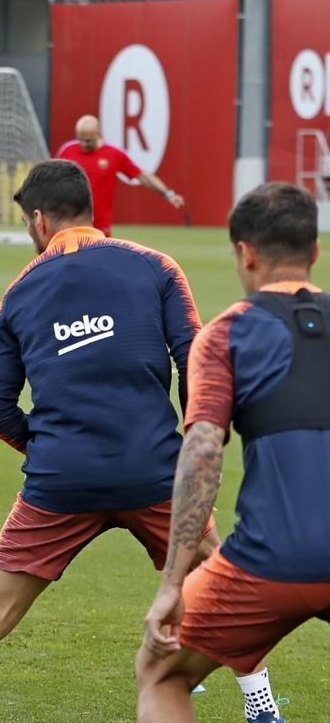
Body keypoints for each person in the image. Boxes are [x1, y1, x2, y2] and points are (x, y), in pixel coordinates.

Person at [0, 160, 277, 723]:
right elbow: (198, 364)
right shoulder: (157, 267)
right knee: (220, 586)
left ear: (39, 219)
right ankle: (263, 710)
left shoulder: (20, 291)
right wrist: (188, 446)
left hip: (61, 479)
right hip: (155, 471)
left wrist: (49, 450)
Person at [136, 183, 330, 723]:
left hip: (268, 559)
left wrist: (173, 583)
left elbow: (202, 454)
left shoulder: (226, 333)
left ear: (244, 253)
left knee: (161, 673)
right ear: (315, 250)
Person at [57, 114, 185, 236]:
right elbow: (54, 180)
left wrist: (168, 194)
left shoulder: (114, 154)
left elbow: (142, 176)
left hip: (100, 223)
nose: (84, 144)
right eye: (80, 139)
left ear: (98, 133)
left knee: (100, 252)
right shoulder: (67, 151)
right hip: (71, 221)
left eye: (88, 140)